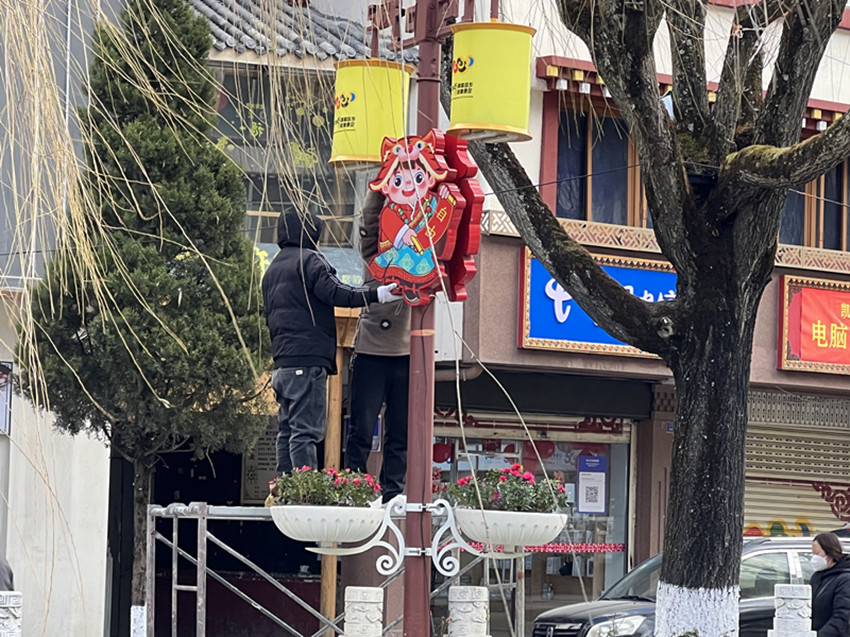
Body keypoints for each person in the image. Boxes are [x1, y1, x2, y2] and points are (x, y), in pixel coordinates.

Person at [263, 209, 400, 476]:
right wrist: (378, 294)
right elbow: (337, 292)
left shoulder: (273, 269)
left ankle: (284, 485)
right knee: (306, 431)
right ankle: (304, 489)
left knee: (287, 430)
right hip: (308, 359)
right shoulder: (310, 261)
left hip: (282, 364)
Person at [345, 191, 411, 502]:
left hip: (408, 353)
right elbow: (368, 224)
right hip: (371, 350)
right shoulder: (374, 256)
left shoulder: (422, 257)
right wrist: (380, 190)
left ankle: (393, 492)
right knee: (361, 429)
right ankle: (355, 488)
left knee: (400, 433)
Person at [810, 531, 850, 636]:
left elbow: (843, 616)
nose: (814, 558)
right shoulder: (817, 577)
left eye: (818, 554)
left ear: (830, 553)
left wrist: (820, 635)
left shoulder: (845, 579)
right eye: (813, 554)